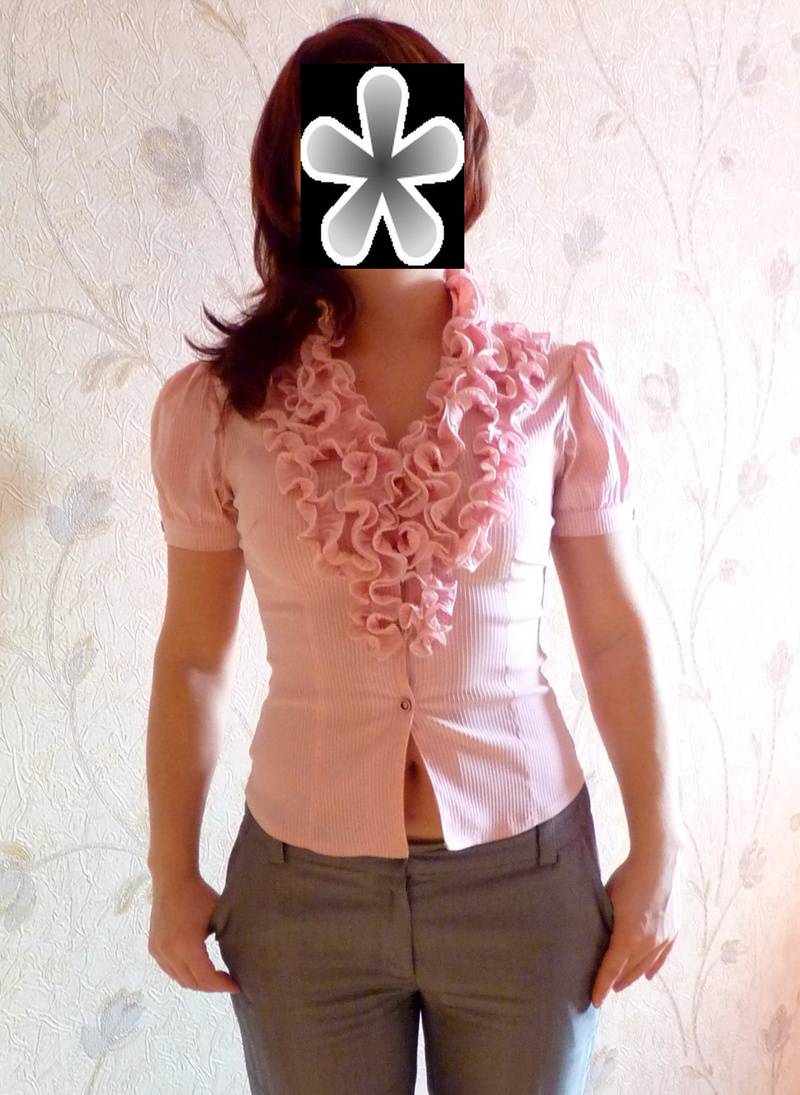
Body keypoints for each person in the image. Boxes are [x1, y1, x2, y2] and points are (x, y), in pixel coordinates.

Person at [146, 15, 684, 1095]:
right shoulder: (220, 409)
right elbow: (194, 658)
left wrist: (658, 844)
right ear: (292, 175)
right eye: (343, 141)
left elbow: (615, 635)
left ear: (457, 153)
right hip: (302, 893)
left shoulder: (552, 390)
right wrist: (170, 871)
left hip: (528, 877)